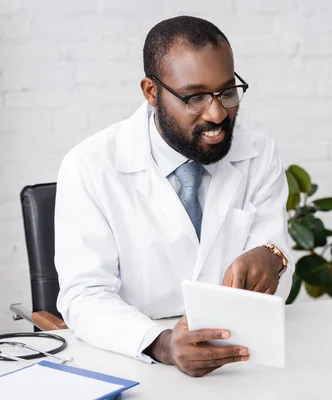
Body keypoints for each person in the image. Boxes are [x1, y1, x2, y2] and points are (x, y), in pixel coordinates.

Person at [54, 16, 294, 377]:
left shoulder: (259, 153)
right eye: (195, 97)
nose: (217, 113)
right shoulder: (89, 165)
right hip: (133, 360)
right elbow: (84, 296)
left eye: (227, 92)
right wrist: (160, 343)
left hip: (242, 360)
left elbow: (276, 259)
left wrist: (273, 258)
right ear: (152, 92)